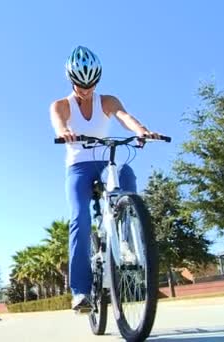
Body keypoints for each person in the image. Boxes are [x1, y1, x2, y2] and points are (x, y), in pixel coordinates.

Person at [49, 45, 162, 311]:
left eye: (91, 84)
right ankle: (80, 291)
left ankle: (125, 237)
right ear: (72, 80)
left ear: (98, 80)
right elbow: (59, 122)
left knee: (125, 172)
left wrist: (142, 131)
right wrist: (65, 131)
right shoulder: (61, 105)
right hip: (78, 167)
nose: (86, 90)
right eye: (80, 84)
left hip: (104, 162)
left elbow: (125, 117)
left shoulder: (108, 101)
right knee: (80, 217)